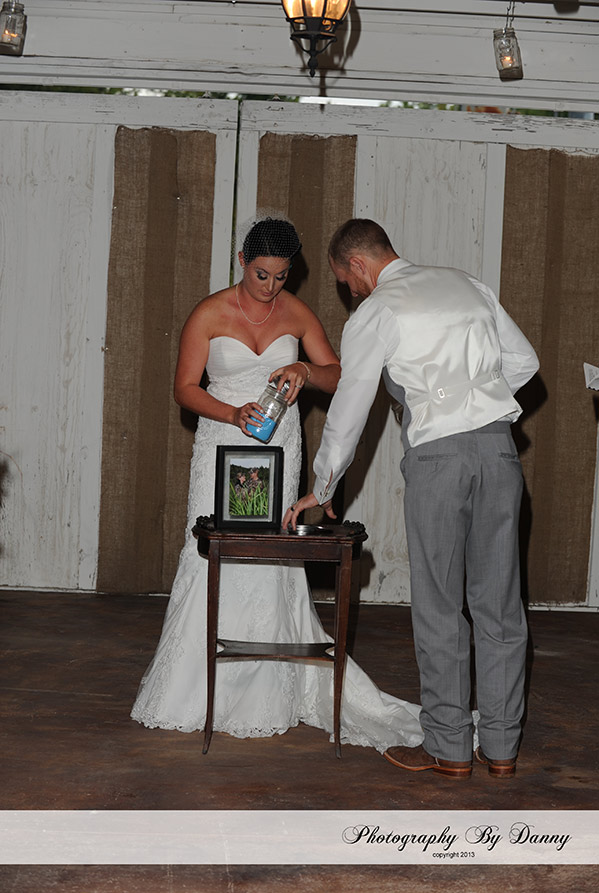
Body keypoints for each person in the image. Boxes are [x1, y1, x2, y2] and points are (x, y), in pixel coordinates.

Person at [131, 216, 423, 752]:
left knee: (271, 551)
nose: (270, 286)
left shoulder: (297, 313)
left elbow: (340, 375)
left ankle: (270, 686)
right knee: (213, 552)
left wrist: (305, 372)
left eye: (282, 276)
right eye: (261, 274)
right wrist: (230, 412)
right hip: (222, 443)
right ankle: (194, 689)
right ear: (243, 261)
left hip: (278, 447)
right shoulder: (208, 313)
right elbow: (183, 388)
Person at [284, 218, 539, 779]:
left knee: (440, 605)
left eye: (346, 281)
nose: (350, 292)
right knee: (500, 605)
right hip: (499, 452)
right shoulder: (468, 283)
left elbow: (350, 410)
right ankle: (501, 748)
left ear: (357, 264)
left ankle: (449, 748)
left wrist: (322, 487)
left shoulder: (377, 310)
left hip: (439, 461)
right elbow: (524, 362)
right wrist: (474, 399)